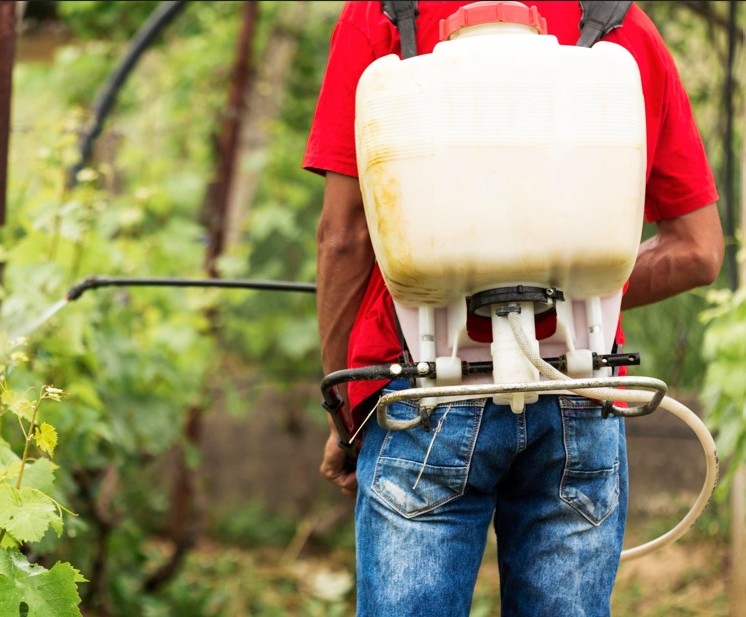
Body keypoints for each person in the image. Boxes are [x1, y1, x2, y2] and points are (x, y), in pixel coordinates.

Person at [303, 2, 724, 615]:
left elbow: (346, 237)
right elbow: (698, 251)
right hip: (581, 389)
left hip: (423, 391)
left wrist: (343, 409)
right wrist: (559, 290)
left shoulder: (386, 14)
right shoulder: (619, 22)